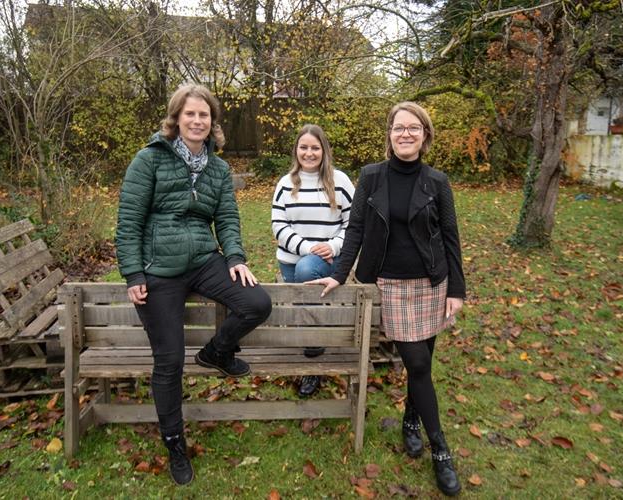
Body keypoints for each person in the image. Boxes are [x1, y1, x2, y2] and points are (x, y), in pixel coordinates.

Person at [116, 84, 272, 486]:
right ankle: (174, 443)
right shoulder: (148, 160)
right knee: (168, 362)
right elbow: (129, 220)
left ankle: (216, 352)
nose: (198, 121)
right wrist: (133, 274)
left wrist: (235, 257)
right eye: (190, 114)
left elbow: (228, 219)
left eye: (205, 115)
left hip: (204, 259)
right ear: (176, 118)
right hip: (159, 270)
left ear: (213, 122)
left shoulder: (218, 170)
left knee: (257, 302)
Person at [308, 102, 466, 496]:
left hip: (432, 283)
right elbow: (356, 229)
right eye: (399, 128)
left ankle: (411, 420)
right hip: (390, 284)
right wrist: (339, 274)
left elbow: (450, 238)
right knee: (415, 361)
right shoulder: (371, 178)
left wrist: (457, 290)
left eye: (414, 128)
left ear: (425, 136)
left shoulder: (437, 182)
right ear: (390, 134)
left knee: (422, 363)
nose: (406, 134)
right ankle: (440, 450)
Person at [271, 124, 355, 396]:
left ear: (324, 150)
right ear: (296, 150)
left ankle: (312, 359)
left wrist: (333, 246)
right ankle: (313, 343)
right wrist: (306, 247)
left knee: (306, 282)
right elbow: (278, 225)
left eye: (315, 147)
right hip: (290, 258)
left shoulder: (339, 181)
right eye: (303, 147)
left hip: (327, 259)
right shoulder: (286, 184)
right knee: (307, 304)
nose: (309, 153)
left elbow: (353, 223)